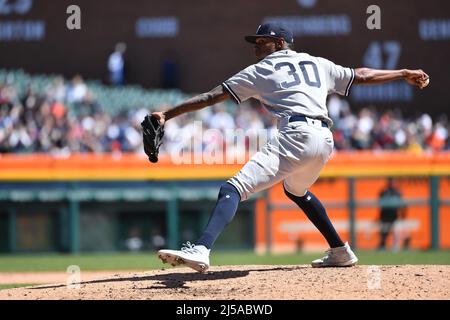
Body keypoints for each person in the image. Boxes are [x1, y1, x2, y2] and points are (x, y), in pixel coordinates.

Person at [154, 23, 429, 272]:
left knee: (232, 188)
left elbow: (212, 96)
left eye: (264, 41)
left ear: (281, 43)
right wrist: (402, 72)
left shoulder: (262, 69)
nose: (257, 46)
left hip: (297, 134)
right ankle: (340, 251)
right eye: (256, 42)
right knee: (297, 190)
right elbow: (361, 75)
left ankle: (201, 249)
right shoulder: (316, 63)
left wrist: (167, 114)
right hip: (324, 140)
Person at [378, 177, 408, 250]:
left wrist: (402, 214)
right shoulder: (384, 191)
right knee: (384, 234)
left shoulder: (397, 192)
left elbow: (401, 204)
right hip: (385, 216)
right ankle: (382, 247)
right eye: (390, 181)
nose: (391, 183)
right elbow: (380, 204)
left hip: (394, 216)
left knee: (396, 233)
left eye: (393, 182)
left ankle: (395, 248)